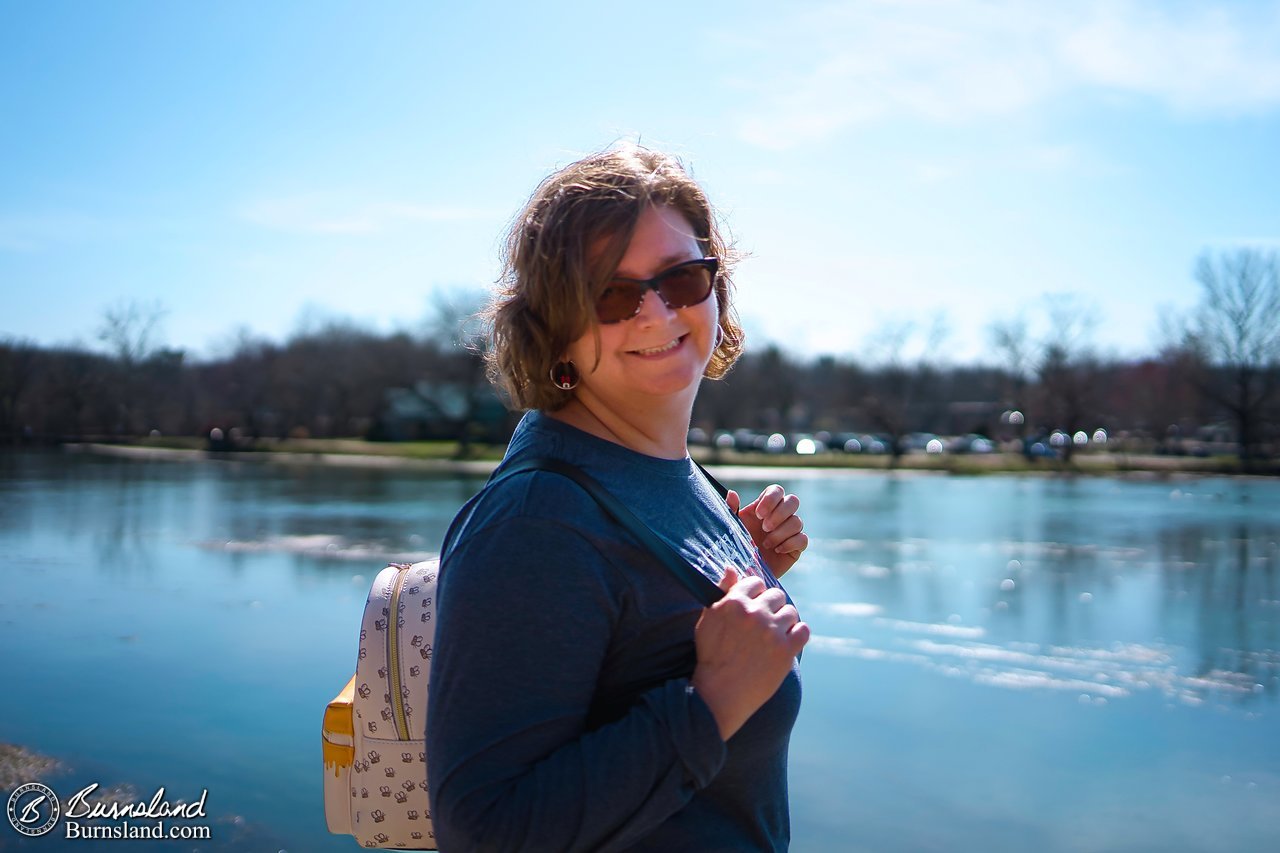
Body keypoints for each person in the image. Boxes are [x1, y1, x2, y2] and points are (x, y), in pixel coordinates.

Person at [425, 144, 810, 852]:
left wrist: (739, 572)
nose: (656, 313)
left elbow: (628, 628)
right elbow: (482, 831)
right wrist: (711, 700)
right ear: (553, 330)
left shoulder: (661, 470)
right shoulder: (538, 522)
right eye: (611, 293)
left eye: (684, 277)